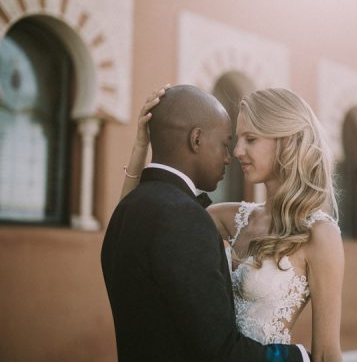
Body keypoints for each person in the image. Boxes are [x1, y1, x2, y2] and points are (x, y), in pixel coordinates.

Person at [121, 87, 345, 362]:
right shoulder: (229, 218)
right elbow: (138, 222)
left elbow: (326, 354)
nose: (237, 151)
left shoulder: (321, 235)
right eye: (237, 140)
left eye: (250, 139)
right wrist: (140, 149)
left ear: (287, 141)